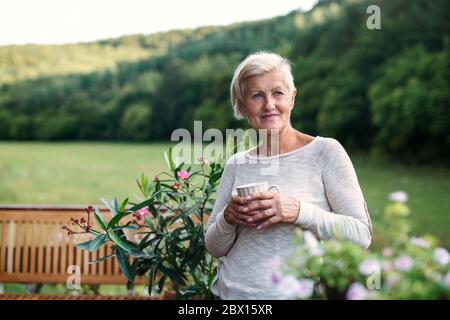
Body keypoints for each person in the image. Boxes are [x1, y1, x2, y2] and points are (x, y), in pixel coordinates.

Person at [204, 51, 372, 300]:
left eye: (278, 93)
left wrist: (299, 211)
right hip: (230, 296)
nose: (269, 105)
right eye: (256, 96)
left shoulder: (325, 152)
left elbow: (361, 235)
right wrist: (229, 217)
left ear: (292, 98)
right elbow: (215, 247)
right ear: (242, 105)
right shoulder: (237, 164)